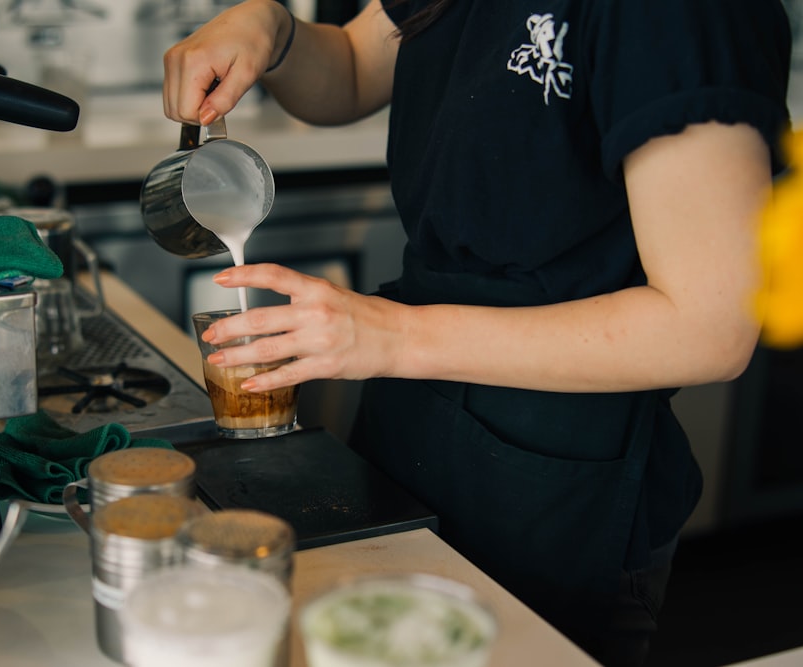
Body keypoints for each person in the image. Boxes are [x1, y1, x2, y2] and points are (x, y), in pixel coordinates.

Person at [160, 1, 791, 664]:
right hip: (413, 422)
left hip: (558, 471)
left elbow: (711, 327)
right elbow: (350, 68)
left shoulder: (678, 17)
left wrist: (395, 337)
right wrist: (275, 31)